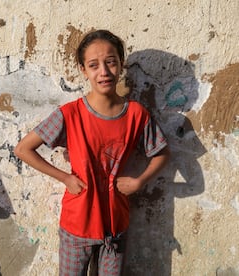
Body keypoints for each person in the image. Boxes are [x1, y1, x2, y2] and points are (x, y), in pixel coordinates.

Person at [14, 30, 170, 275]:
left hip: (115, 225)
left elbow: (161, 153)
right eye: (94, 65)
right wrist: (64, 178)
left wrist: (139, 181)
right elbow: (23, 149)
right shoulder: (70, 114)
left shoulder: (136, 114)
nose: (104, 72)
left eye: (110, 62)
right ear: (83, 70)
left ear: (120, 64)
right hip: (77, 225)